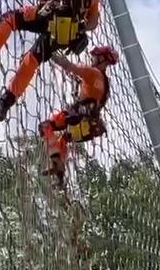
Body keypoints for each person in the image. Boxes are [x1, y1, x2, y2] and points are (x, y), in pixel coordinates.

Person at [37, 44, 118, 190]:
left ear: (102, 60)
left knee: (45, 127)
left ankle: (57, 162)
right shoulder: (104, 82)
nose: (92, 58)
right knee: (63, 140)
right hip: (88, 127)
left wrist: (49, 50)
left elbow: (70, 67)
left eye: (95, 56)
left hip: (77, 118)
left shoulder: (92, 72)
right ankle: (60, 176)